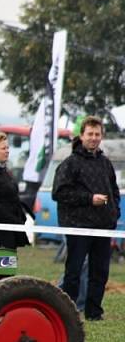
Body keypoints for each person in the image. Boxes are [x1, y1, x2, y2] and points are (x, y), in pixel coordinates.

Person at [52, 115, 120, 321]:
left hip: (103, 226)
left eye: (97, 134)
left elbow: (114, 191)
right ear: (81, 136)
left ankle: (94, 312)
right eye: (89, 134)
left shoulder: (105, 163)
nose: (93, 138)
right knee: (74, 272)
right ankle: (69, 312)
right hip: (78, 226)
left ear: (102, 136)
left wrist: (114, 212)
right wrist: (90, 199)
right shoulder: (70, 163)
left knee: (99, 273)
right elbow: (59, 193)